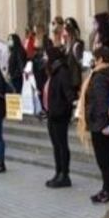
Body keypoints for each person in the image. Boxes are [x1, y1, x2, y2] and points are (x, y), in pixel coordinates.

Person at [79, 46, 109, 203]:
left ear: (101, 59)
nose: (93, 60)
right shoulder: (107, 74)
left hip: (99, 123)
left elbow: (100, 101)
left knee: (104, 157)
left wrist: (100, 123)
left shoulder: (100, 76)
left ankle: (108, 190)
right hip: (100, 122)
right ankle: (107, 188)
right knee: (105, 156)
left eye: (95, 57)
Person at [43, 46, 75, 188]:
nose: (44, 58)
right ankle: (58, 172)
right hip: (52, 115)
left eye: (46, 56)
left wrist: (63, 111)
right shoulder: (54, 72)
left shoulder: (62, 72)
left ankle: (64, 175)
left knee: (62, 146)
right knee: (56, 146)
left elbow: (68, 95)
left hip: (59, 116)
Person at [63, 17, 85, 93]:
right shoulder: (65, 45)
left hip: (74, 82)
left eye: (66, 29)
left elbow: (81, 64)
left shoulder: (76, 45)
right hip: (66, 81)